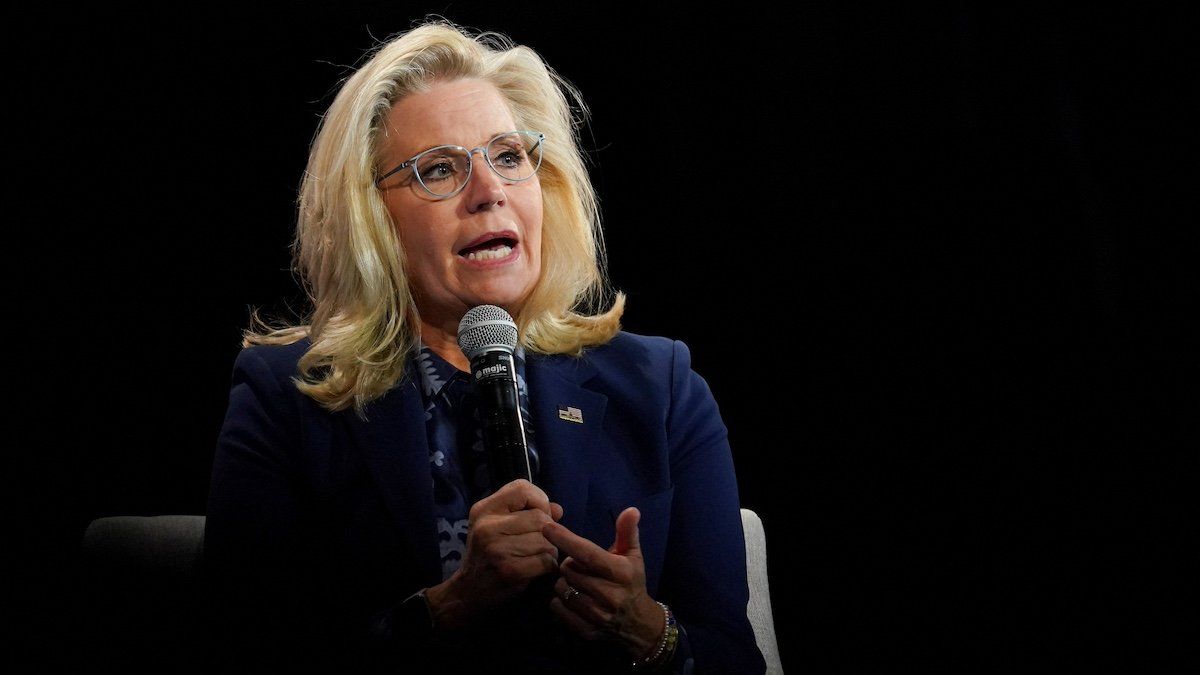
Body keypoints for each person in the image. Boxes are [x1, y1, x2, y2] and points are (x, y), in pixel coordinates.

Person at [204, 18, 766, 674]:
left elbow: (733, 656)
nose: (489, 190)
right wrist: (447, 607)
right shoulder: (286, 400)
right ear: (372, 220)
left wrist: (647, 633)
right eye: (439, 168)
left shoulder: (662, 387)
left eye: (508, 156)